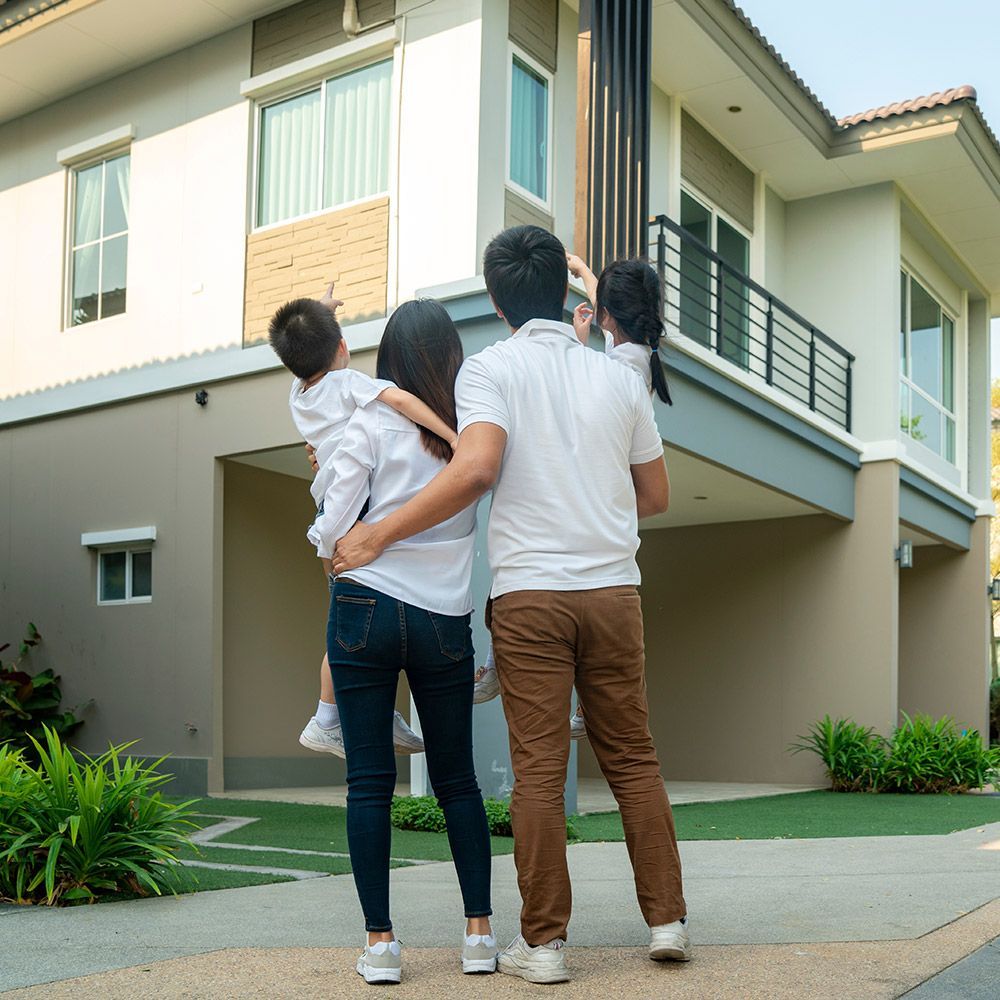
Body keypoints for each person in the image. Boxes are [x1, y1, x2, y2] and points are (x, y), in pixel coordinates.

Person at [331, 226, 689, 984]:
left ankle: (546, 946)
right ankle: (666, 922)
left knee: (536, 769)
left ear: (495, 300)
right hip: (614, 592)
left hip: (530, 599)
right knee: (634, 759)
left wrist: (375, 537)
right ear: (565, 290)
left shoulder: (488, 370)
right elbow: (653, 496)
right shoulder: (619, 380)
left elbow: (476, 469)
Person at [309, 299, 496, 985]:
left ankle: (382, 946)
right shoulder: (472, 434)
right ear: (452, 358)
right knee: (457, 780)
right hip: (443, 620)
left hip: (364, 610)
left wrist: (322, 501)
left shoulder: (369, 423)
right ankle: (478, 935)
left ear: (387, 363)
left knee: (369, 783)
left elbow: (333, 528)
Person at [269, 283, 457, 759]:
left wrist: (324, 310)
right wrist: (452, 436)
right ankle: (325, 718)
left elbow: (312, 350)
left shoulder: (299, 395)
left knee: (341, 622)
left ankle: (329, 715)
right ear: (342, 349)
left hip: (329, 505)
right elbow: (402, 402)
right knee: (350, 619)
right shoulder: (350, 385)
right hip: (349, 510)